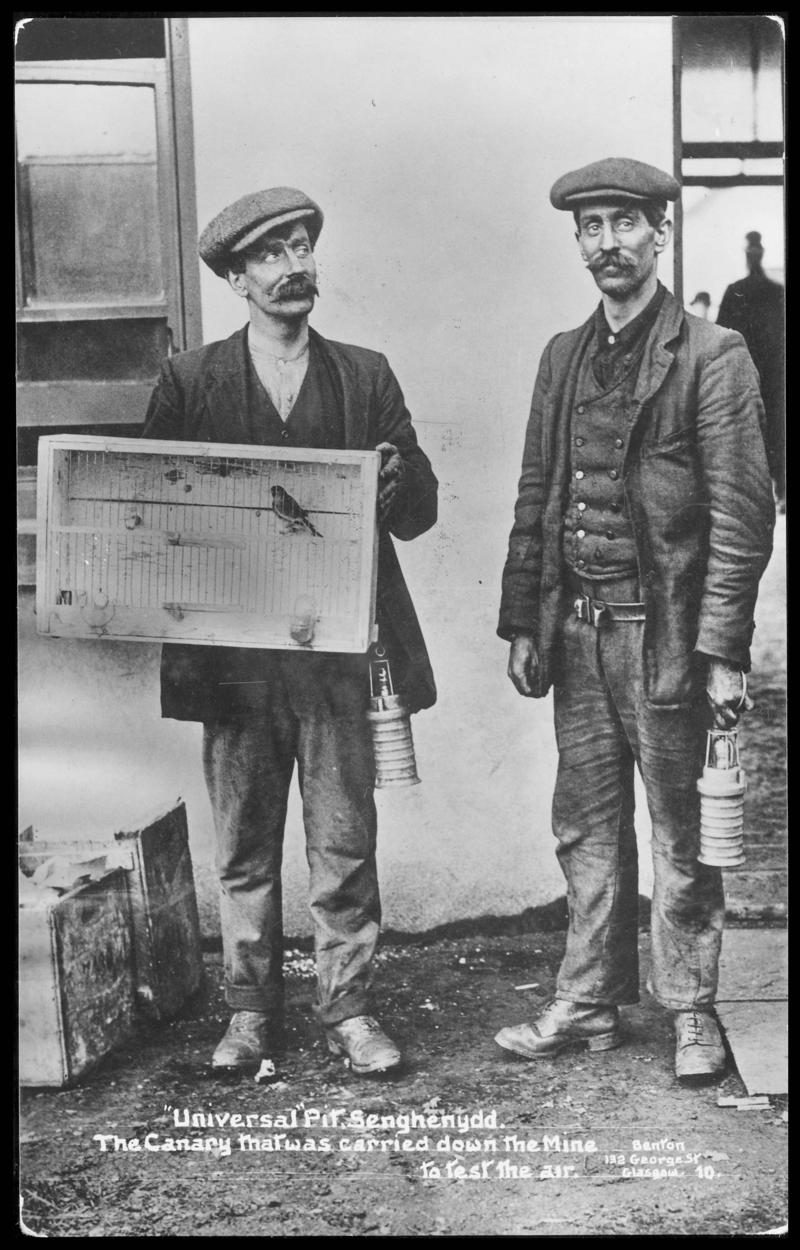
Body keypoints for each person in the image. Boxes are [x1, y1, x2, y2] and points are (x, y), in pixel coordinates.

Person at [142, 186, 438, 1077]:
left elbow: (419, 510)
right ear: (236, 278)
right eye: (270, 254)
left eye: (302, 246)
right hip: (235, 661)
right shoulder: (190, 381)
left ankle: (349, 1008)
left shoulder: (365, 375)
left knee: (344, 842)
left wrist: (396, 477)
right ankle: (249, 1014)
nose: (293, 266)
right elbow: (151, 514)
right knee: (244, 846)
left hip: (339, 655)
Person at [495, 157, 774, 1083]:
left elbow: (743, 516)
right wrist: (524, 622)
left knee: (679, 831)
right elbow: (537, 493)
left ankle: (692, 1009)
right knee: (584, 825)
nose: (608, 243)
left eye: (625, 223)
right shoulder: (562, 357)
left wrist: (720, 649)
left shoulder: (713, 354)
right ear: (578, 242)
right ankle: (588, 1001)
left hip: (665, 640)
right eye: (591, 227)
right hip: (576, 635)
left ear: (661, 232)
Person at [716, 231, 785, 509]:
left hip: (757, 375)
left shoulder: (742, 291)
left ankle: (763, 494)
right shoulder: (773, 292)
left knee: (754, 432)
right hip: (766, 376)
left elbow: (721, 335)